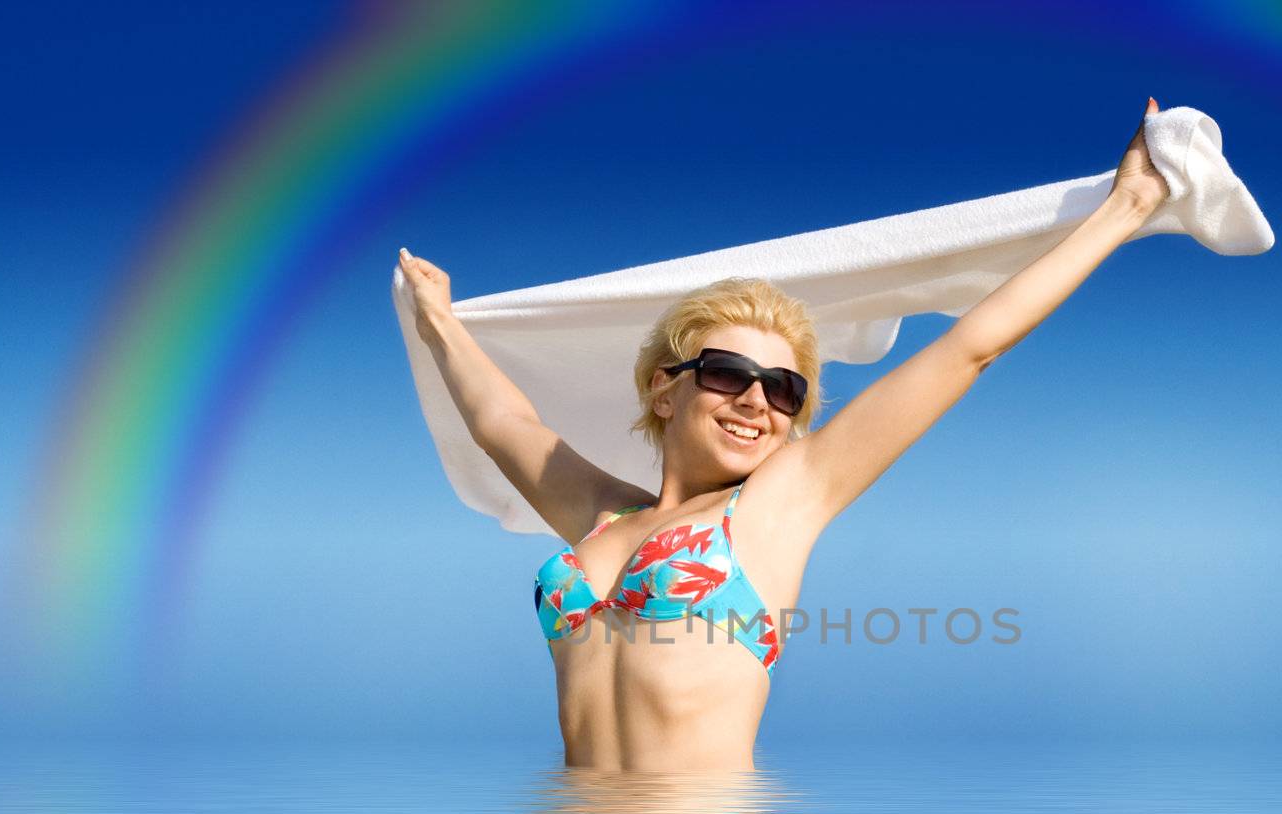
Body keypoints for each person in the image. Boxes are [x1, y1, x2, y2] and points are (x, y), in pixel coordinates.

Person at [399, 99, 1170, 771]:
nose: (758, 401)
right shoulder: (601, 516)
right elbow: (507, 425)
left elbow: (969, 347)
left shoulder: (775, 508)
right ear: (665, 389)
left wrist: (1123, 209)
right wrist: (439, 321)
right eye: (730, 373)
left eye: (784, 390)